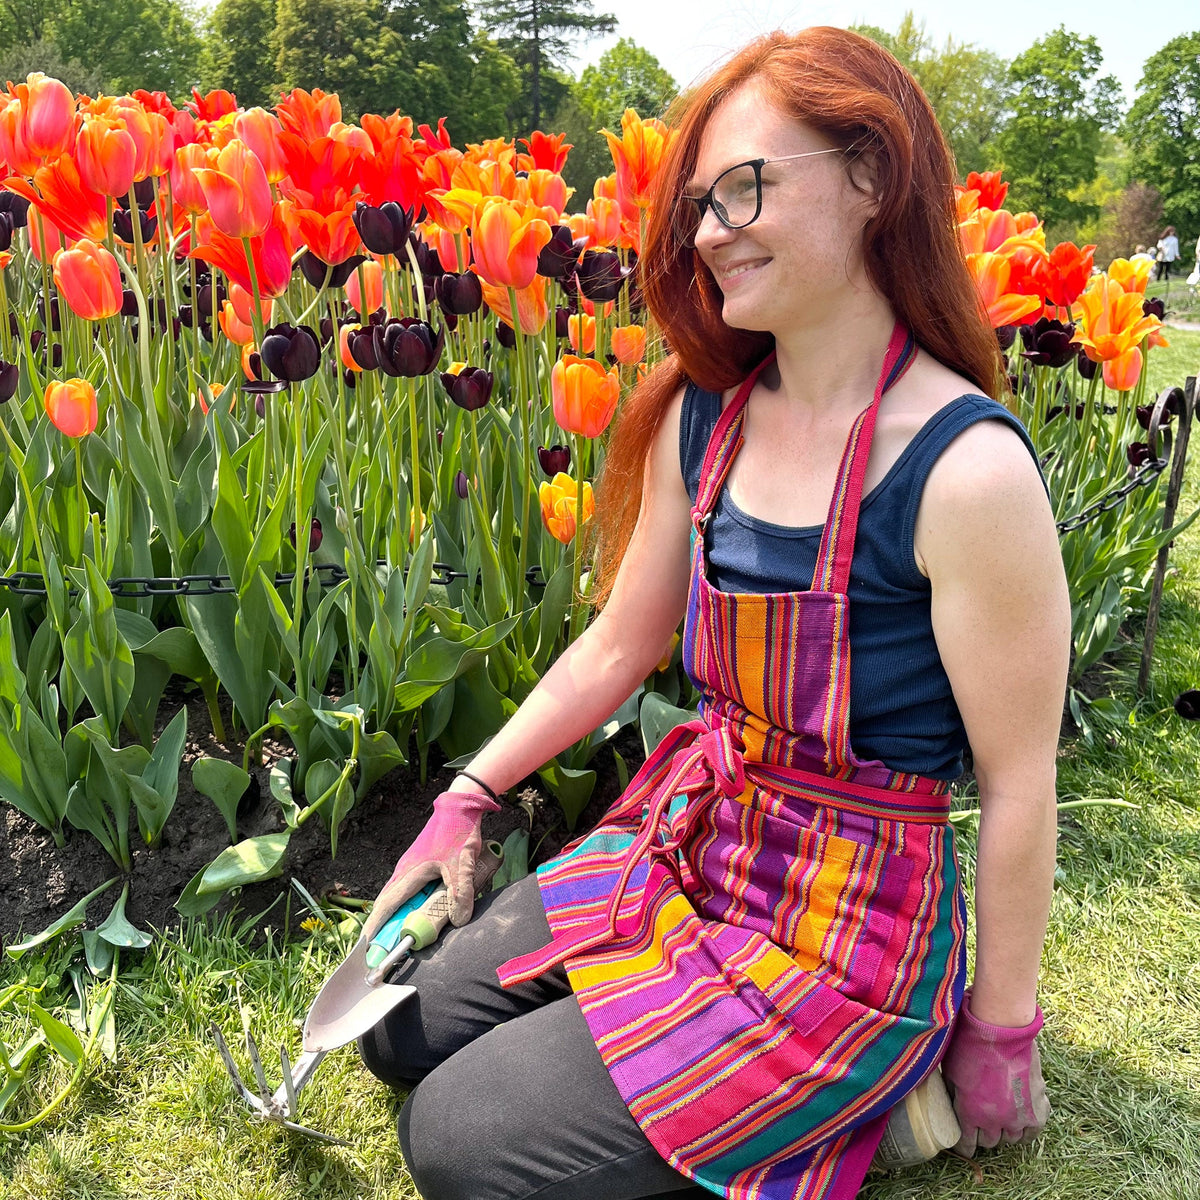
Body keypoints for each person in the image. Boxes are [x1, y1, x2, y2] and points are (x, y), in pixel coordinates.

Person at [358, 26, 1069, 1200]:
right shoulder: (712, 413)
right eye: (696, 205)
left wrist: (1003, 1030)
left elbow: (1018, 783)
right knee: (397, 1023)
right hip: (702, 845)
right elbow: (619, 645)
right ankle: (683, 1025)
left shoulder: (964, 471)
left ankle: (890, 1072)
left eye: (744, 188)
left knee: (460, 1141)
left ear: (872, 176)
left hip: (847, 930)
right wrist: (465, 798)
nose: (706, 233)